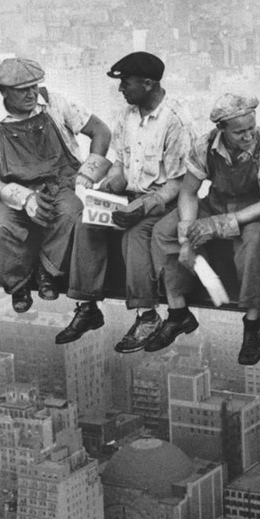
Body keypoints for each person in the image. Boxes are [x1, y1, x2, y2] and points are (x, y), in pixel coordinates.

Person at [0, 57, 113, 342]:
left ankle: (48, 271)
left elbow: (102, 132)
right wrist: (23, 199)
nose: (31, 94)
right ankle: (19, 283)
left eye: (34, 86)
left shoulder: (56, 104)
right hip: (16, 189)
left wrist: (86, 175)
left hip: (60, 182)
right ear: (3, 92)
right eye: (22, 89)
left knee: (71, 213)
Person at [149, 92, 260, 366]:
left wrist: (216, 226)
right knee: (164, 231)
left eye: (251, 128)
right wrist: (187, 239)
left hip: (251, 211)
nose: (248, 136)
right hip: (216, 202)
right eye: (239, 133)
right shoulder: (204, 145)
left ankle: (251, 321)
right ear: (221, 130)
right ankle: (178, 311)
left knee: (253, 244)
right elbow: (188, 193)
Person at [71, 52, 193, 353]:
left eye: (126, 83)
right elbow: (122, 165)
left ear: (148, 84)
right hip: (132, 196)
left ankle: (147, 314)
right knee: (86, 224)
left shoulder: (175, 121)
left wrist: (143, 206)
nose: (120, 89)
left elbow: (179, 182)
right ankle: (87, 306)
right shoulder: (127, 115)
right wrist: (104, 189)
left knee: (136, 235)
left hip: (164, 202)